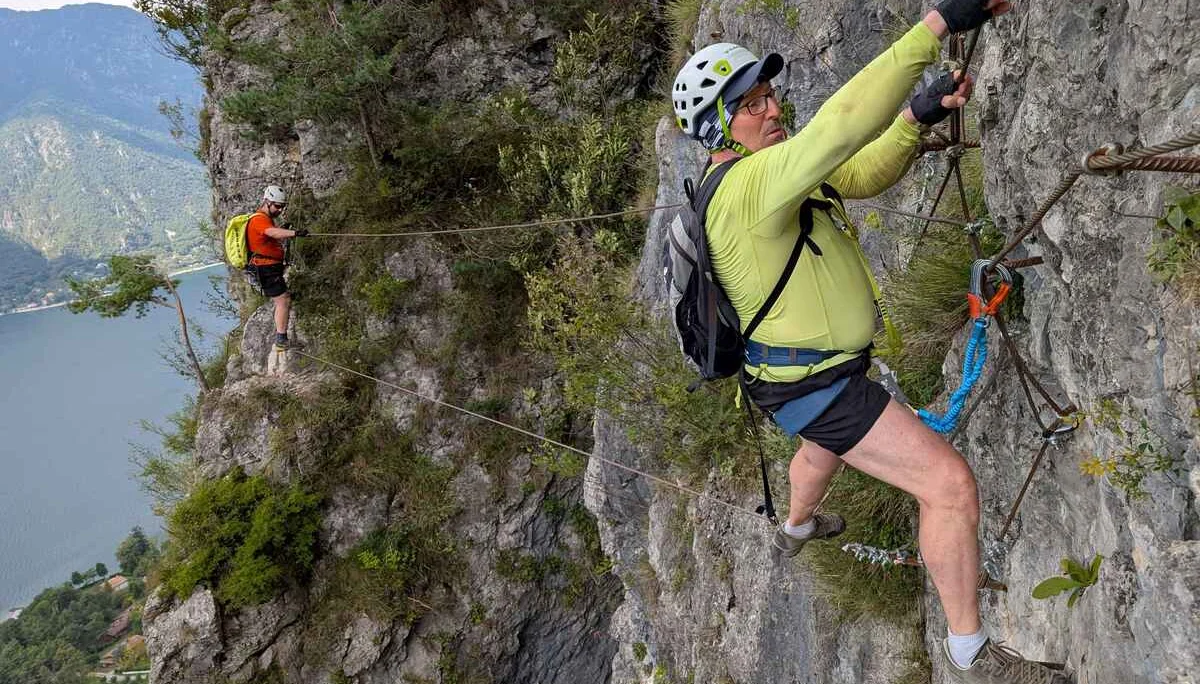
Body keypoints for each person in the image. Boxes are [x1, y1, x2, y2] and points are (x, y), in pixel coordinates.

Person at [672, 2, 1071, 683]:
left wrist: (916, 119)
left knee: (821, 447)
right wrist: (936, 26)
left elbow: (860, 172)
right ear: (719, 127)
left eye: (770, 94)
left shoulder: (773, 170)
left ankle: (797, 525)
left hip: (799, 378)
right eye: (753, 103)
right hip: (817, 385)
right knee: (948, 486)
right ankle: (972, 653)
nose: (774, 109)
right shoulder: (745, 188)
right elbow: (841, 128)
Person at [245, 185, 308, 351]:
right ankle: (281, 339)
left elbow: (270, 236)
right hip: (265, 268)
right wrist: (294, 233)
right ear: (267, 202)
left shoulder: (265, 218)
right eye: (277, 206)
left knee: (283, 299)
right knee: (283, 300)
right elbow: (272, 233)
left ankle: (281, 338)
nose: (280, 210)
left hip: (269, 267)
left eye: (282, 206)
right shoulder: (258, 219)